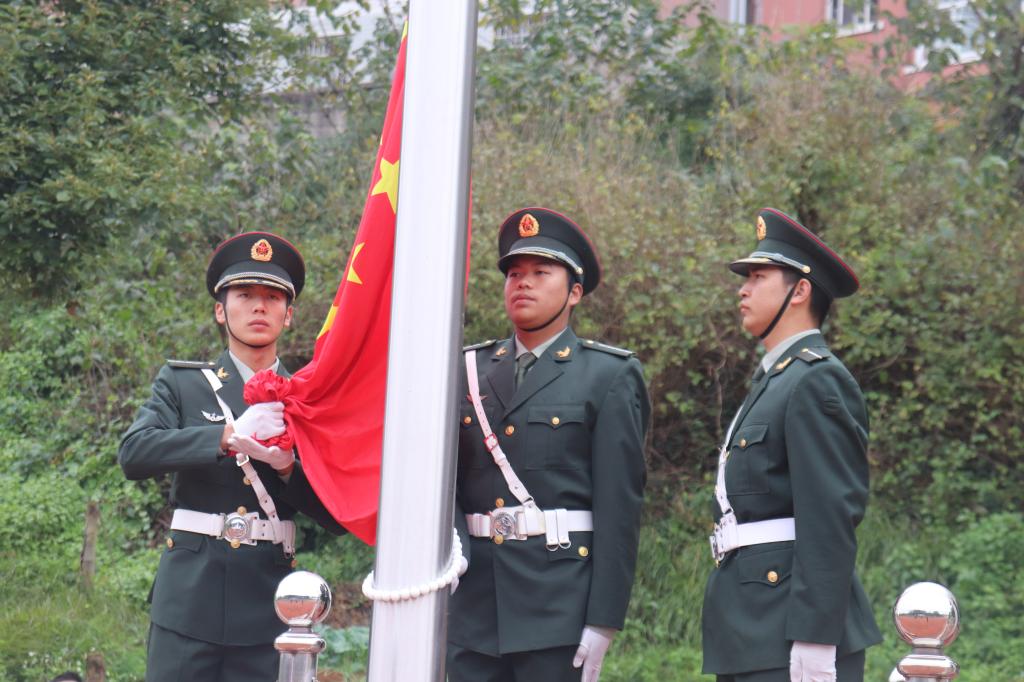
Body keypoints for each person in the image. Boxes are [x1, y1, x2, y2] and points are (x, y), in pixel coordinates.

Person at [119, 231, 345, 682]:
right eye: (245, 295)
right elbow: (135, 453)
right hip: (189, 601)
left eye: (272, 297)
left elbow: (337, 515)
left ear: (289, 315)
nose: (259, 307)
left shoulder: (308, 398)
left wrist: (286, 468)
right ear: (221, 311)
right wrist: (225, 436)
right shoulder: (184, 383)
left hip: (269, 605)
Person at [448, 207, 651, 682]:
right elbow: (444, 485)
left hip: (558, 606)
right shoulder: (467, 369)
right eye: (514, 273)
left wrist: (603, 619)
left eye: (541, 272)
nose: (523, 283)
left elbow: (619, 508)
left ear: (574, 292)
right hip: (473, 606)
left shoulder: (608, 375)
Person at [701, 208, 883, 681]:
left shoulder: (815, 381)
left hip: (789, 628)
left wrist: (817, 636)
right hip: (752, 625)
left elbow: (829, 516)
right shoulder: (775, 380)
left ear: (799, 291)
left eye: (758, 277)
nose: (742, 290)